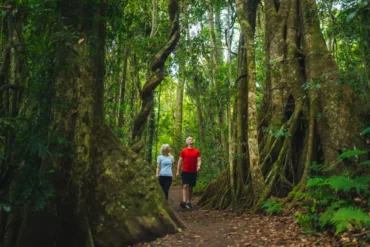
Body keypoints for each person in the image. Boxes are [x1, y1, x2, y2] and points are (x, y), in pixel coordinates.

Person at [176, 136, 201, 209]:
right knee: (185, 185)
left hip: (193, 171)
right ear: (187, 142)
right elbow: (180, 161)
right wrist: (177, 171)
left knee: (190, 187)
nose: (191, 140)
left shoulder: (197, 151)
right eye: (189, 139)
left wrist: (198, 166)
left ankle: (189, 202)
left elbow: (199, 160)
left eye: (192, 139)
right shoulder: (183, 151)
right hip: (185, 171)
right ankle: (184, 201)